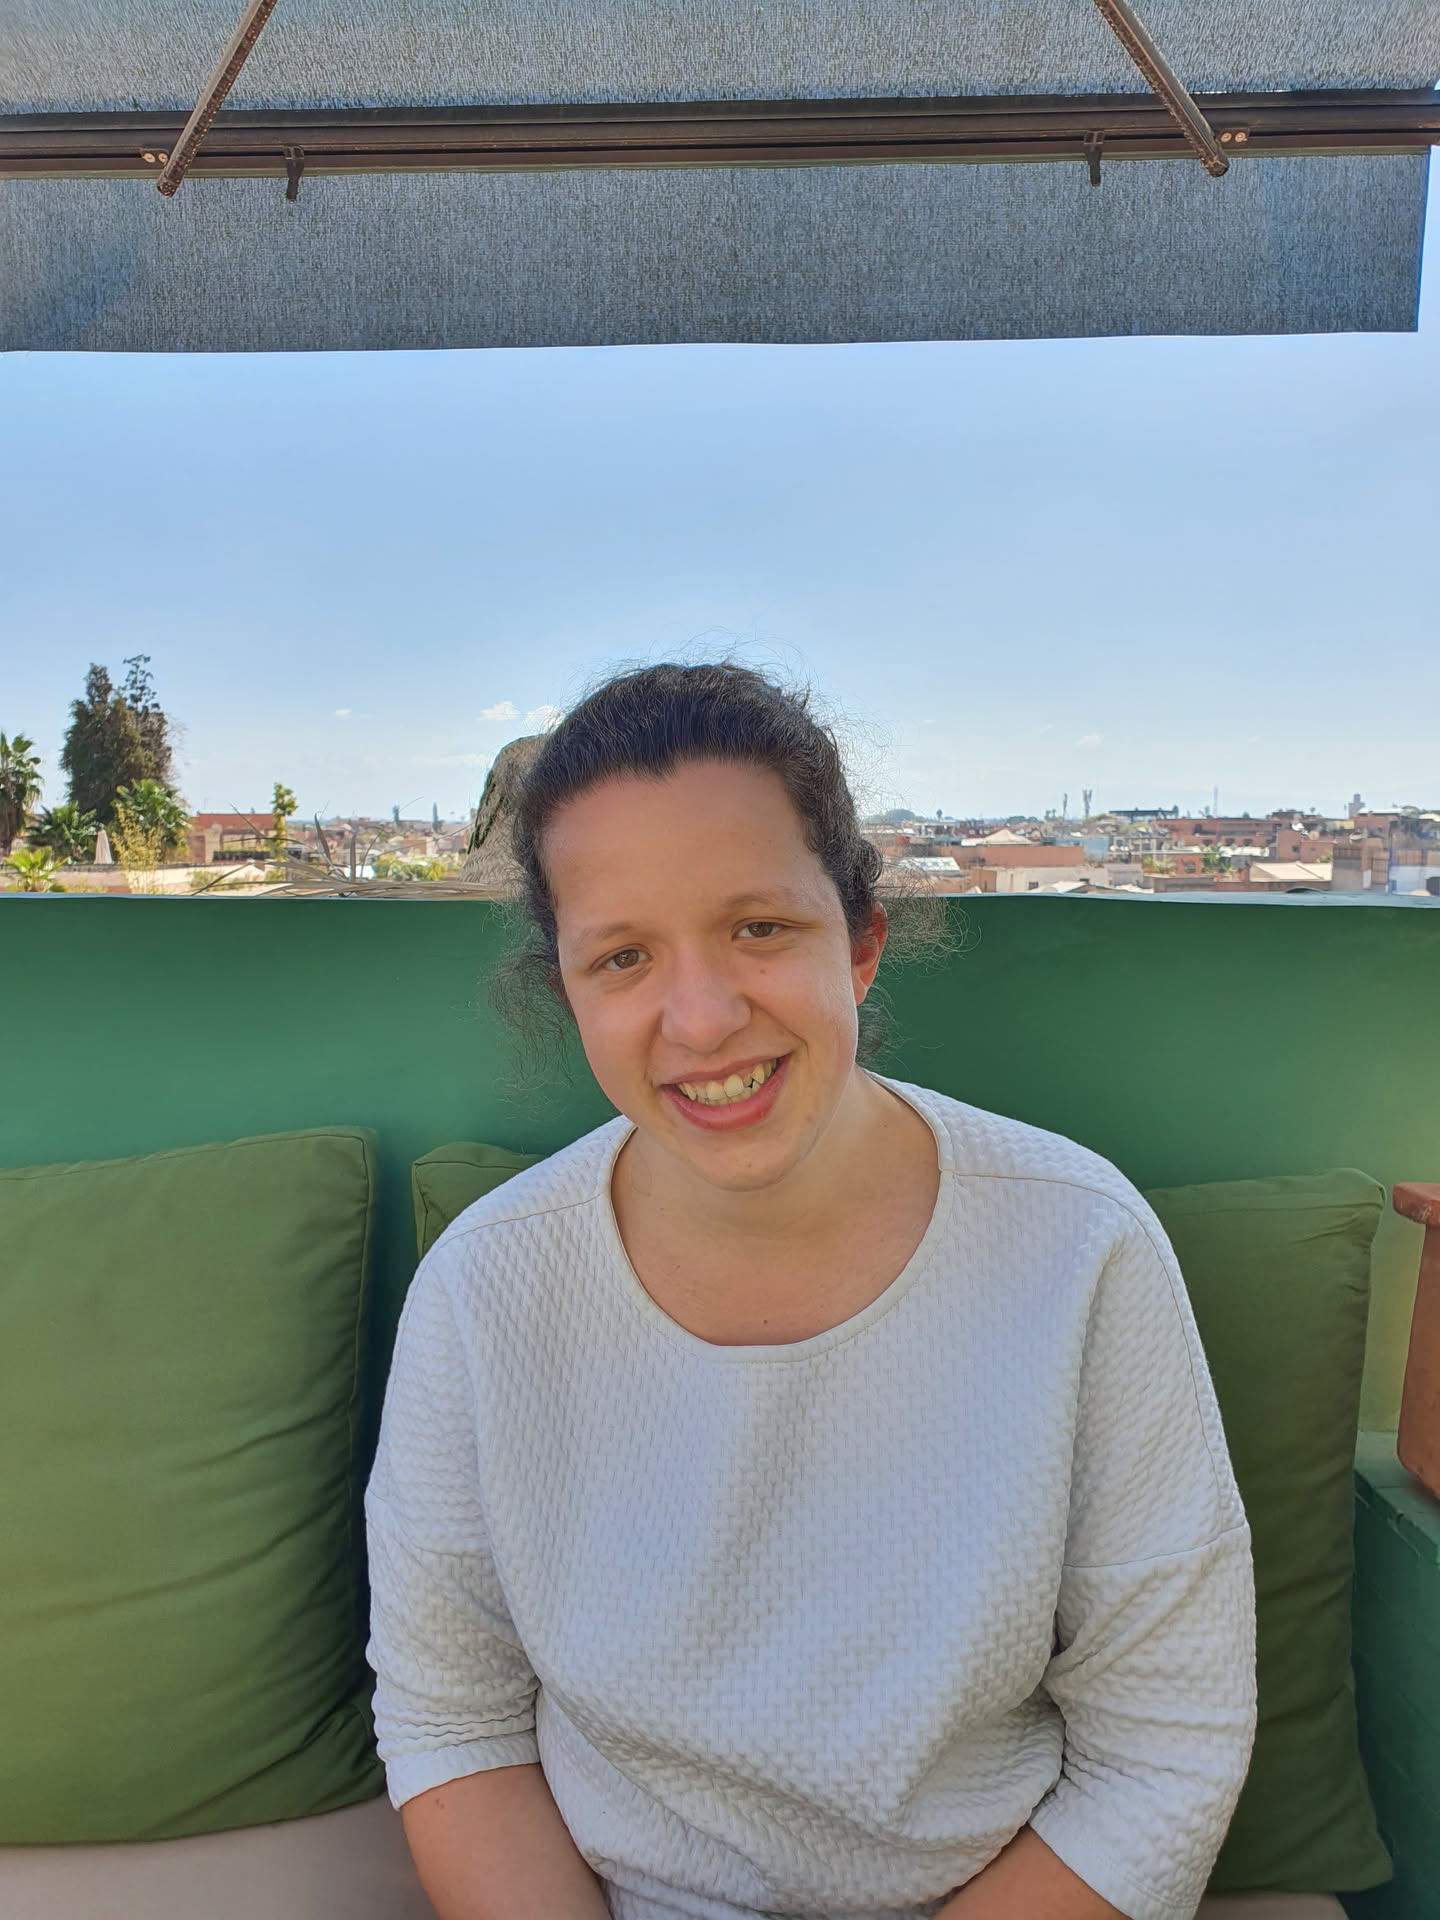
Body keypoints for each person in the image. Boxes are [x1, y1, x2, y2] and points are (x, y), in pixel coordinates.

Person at [365, 662, 1256, 1920]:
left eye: (759, 929)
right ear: (569, 991)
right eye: (623, 956)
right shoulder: (483, 1289)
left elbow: (1163, 1749)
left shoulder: (1081, 1245)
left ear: (863, 942)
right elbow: (455, 1721)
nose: (700, 1018)